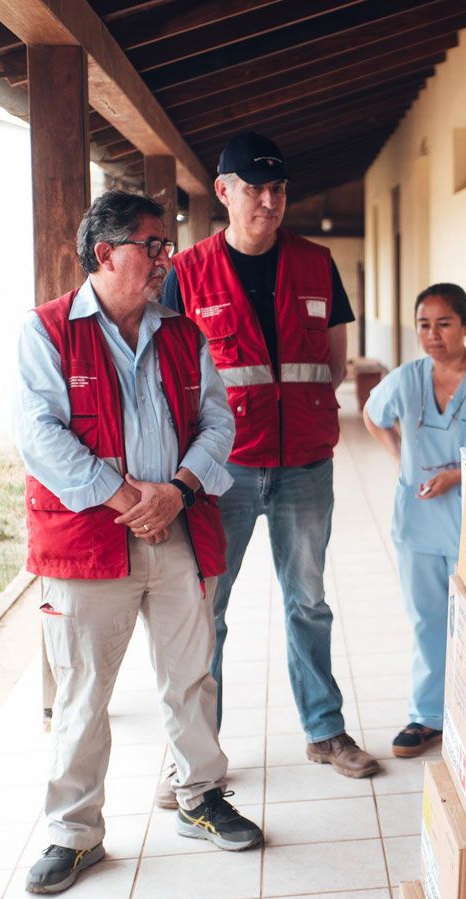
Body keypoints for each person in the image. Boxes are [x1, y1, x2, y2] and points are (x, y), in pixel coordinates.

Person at [14, 190, 261, 896]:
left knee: (191, 674)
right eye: (153, 246)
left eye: (167, 245)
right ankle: (74, 833)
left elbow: (220, 423)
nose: (166, 258)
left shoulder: (182, 334)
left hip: (177, 529)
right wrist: (130, 499)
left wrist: (176, 493)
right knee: (85, 691)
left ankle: (200, 797)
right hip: (92, 541)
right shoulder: (49, 332)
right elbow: (39, 435)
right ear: (104, 254)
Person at [162, 132, 378, 781]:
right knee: (209, 610)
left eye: (278, 188)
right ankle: (198, 754)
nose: (268, 199)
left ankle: (324, 730)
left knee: (308, 601)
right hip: (223, 475)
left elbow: (336, 359)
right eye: (254, 187)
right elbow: (171, 379)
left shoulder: (317, 263)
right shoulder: (187, 273)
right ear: (224, 192)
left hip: (306, 465)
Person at [361, 285, 466, 757]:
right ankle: (427, 715)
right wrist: (400, 459)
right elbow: (375, 417)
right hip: (416, 519)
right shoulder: (407, 378)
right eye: (423, 324)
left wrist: (456, 475)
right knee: (426, 619)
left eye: (444, 323)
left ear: (465, 324)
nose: (432, 335)